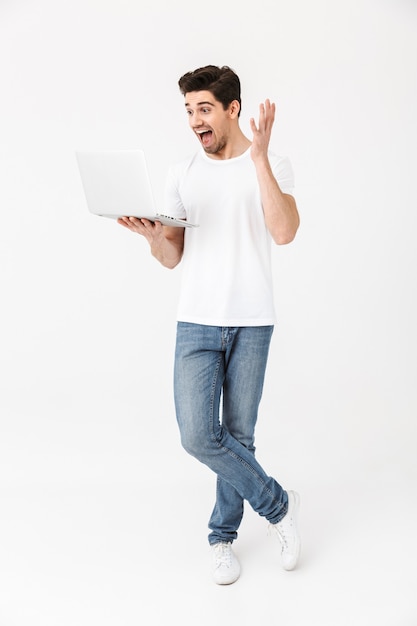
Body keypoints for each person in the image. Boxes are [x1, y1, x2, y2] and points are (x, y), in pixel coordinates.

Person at [118, 65, 301, 585]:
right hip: (196, 321)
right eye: (188, 110)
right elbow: (172, 257)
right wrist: (151, 236)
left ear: (231, 110)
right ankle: (278, 506)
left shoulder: (273, 163)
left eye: (203, 108)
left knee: (238, 436)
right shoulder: (183, 173)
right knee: (199, 435)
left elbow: (284, 232)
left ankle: (222, 538)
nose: (195, 120)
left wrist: (260, 159)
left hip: (252, 320)